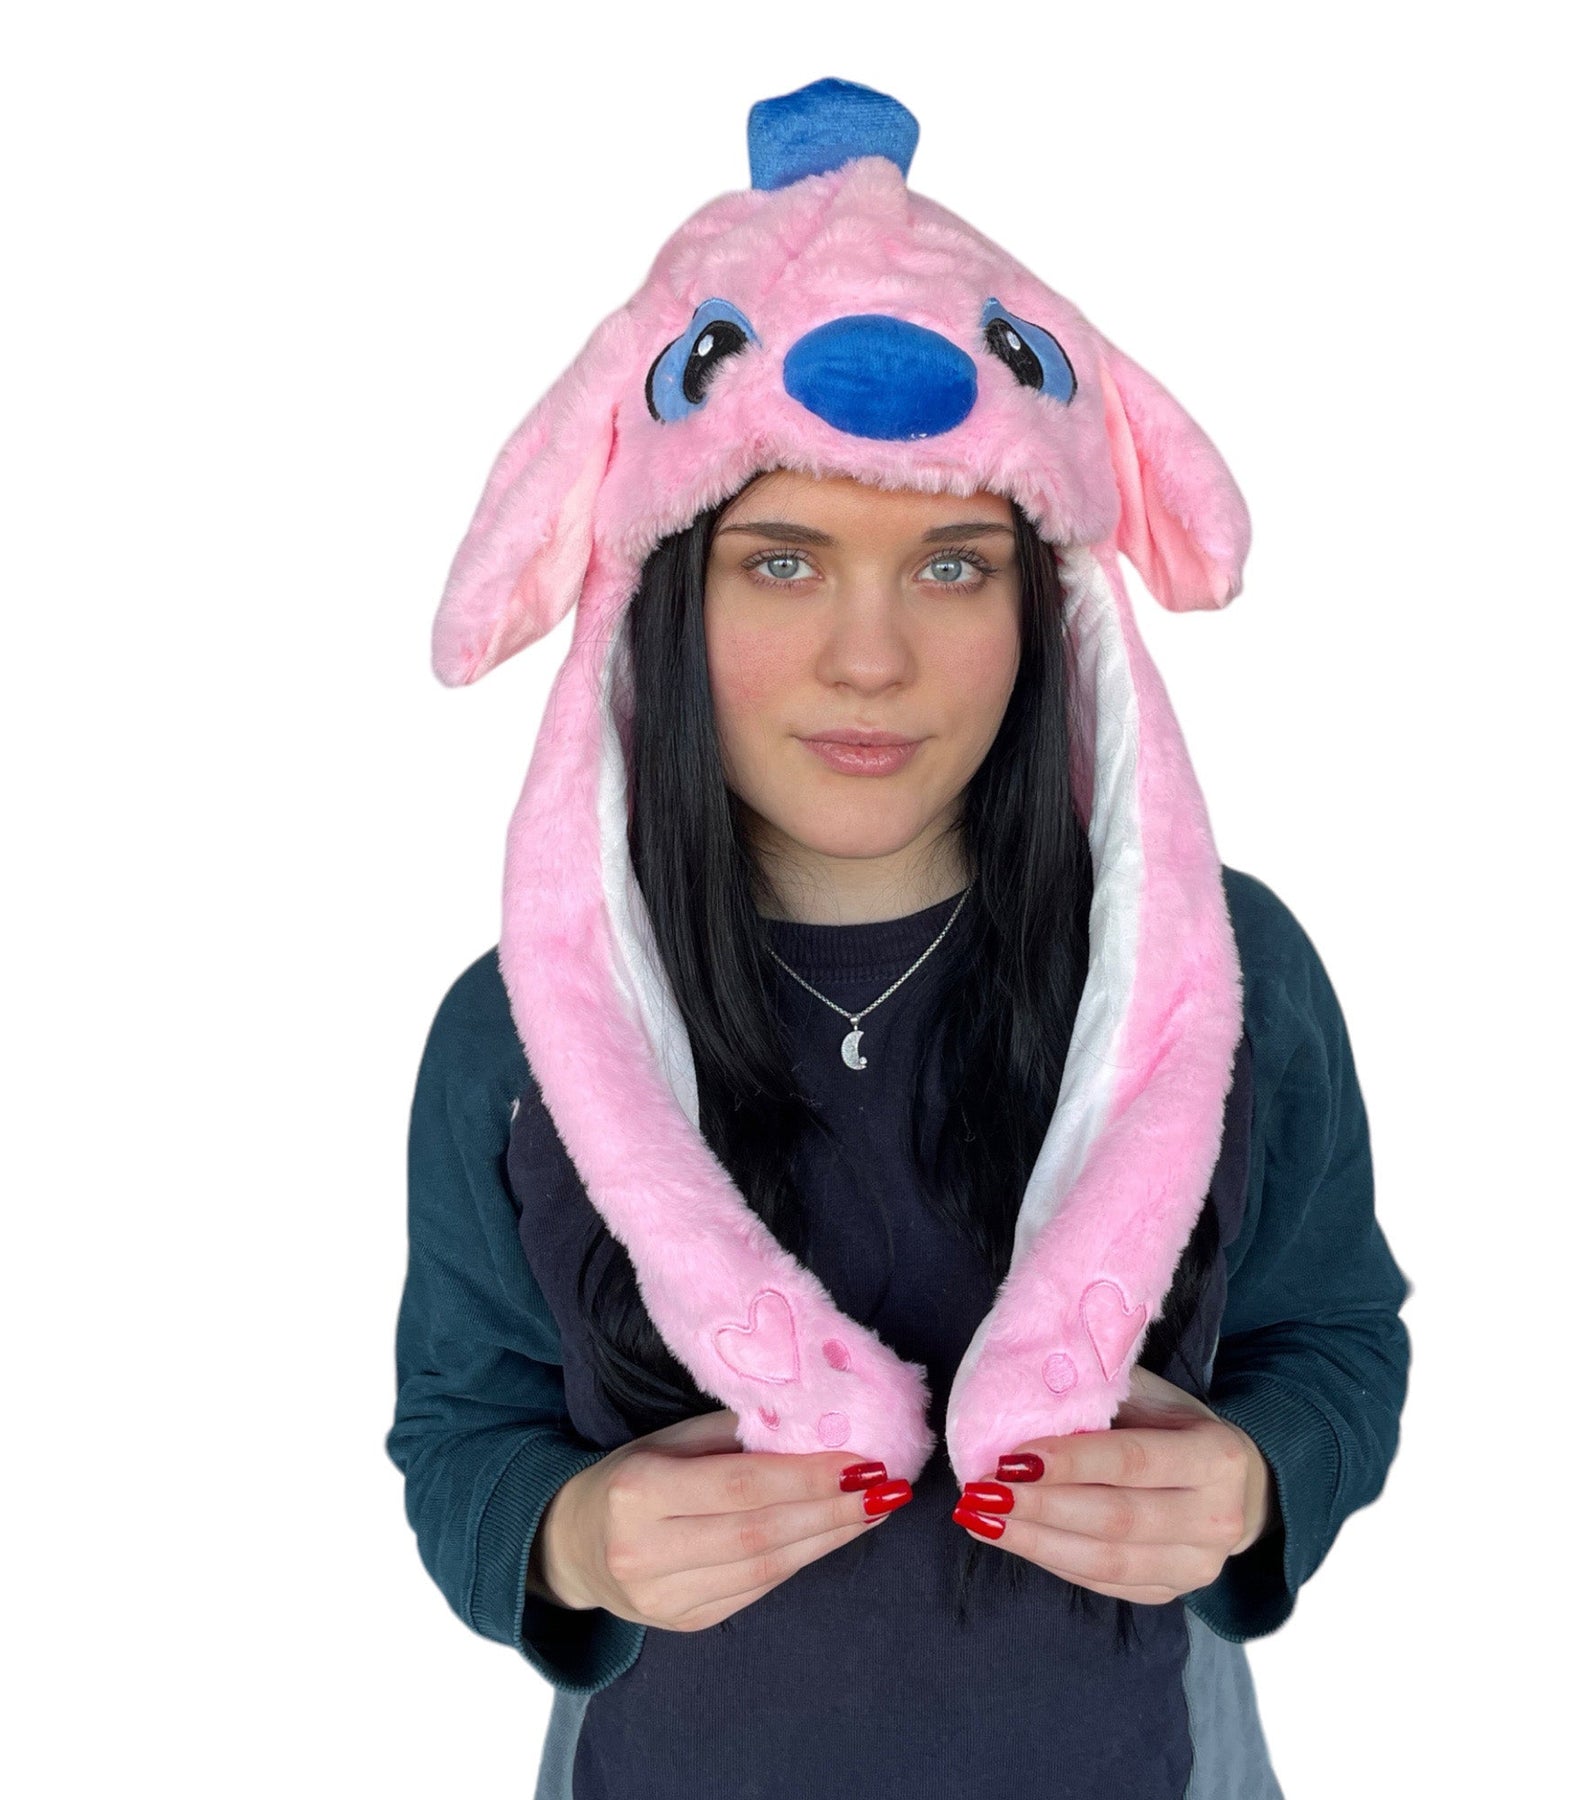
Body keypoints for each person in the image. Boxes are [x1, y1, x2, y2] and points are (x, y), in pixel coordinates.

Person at [387, 77, 1412, 1800]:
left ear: (1048, 602)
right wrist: (572, 1538)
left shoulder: (1223, 978)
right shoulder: (523, 1033)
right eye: (783, 564)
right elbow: (458, 1427)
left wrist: (1255, 1483)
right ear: (663, 593)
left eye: (950, 567)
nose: (870, 662)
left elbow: (1339, 1339)